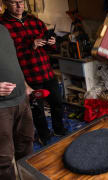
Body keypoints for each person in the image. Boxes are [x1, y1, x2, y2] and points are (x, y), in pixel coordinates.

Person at [0, 0, 67, 146]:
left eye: (21, 1)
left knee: (57, 102)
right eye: (14, 2)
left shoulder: (35, 21)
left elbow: (52, 49)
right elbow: (7, 55)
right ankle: (44, 136)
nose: (19, 6)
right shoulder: (3, 25)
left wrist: (51, 42)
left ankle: (59, 129)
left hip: (46, 71)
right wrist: (31, 45)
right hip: (27, 75)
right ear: (5, 3)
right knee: (37, 109)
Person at [0, 4, 34, 179]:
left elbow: (13, 61)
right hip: (2, 107)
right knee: (4, 159)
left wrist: (25, 83)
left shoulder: (3, 30)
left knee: (26, 146)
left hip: (21, 99)